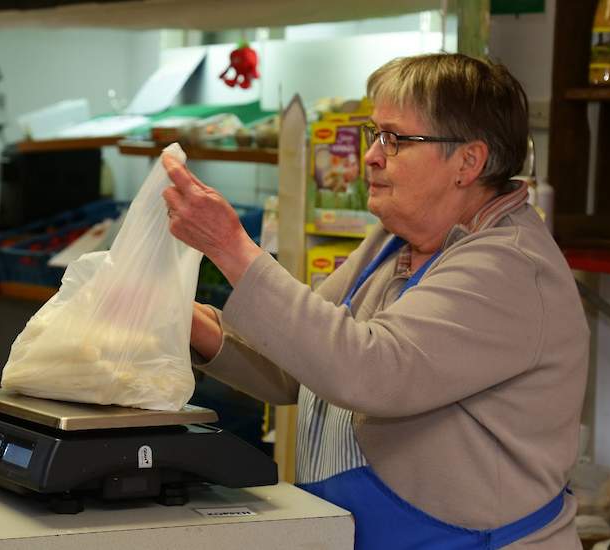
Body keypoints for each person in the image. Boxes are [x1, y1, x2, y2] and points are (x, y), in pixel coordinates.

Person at [161, 53, 588, 550]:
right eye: (374, 134)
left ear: (468, 162)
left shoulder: (508, 266)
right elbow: (298, 365)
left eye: (397, 139)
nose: (372, 156)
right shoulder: (390, 242)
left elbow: (371, 371)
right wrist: (183, 317)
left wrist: (232, 248)